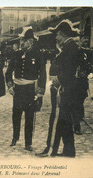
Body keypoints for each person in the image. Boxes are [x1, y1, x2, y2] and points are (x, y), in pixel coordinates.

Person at [5, 26, 46, 151]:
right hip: (18, 89)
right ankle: (15, 137)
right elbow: (8, 72)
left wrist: (40, 91)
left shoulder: (38, 54)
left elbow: (43, 73)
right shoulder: (16, 54)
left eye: (25, 41)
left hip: (30, 90)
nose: (22, 43)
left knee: (29, 116)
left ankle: (28, 143)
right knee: (16, 114)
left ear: (31, 42)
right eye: (22, 41)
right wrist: (10, 86)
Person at [48, 19, 81, 157]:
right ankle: (69, 150)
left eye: (57, 35)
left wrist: (57, 80)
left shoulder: (69, 48)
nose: (56, 37)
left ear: (62, 34)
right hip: (68, 89)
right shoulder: (69, 47)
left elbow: (68, 71)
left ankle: (59, 149)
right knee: (65, 120)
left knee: (63, 119)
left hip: (67, 90)